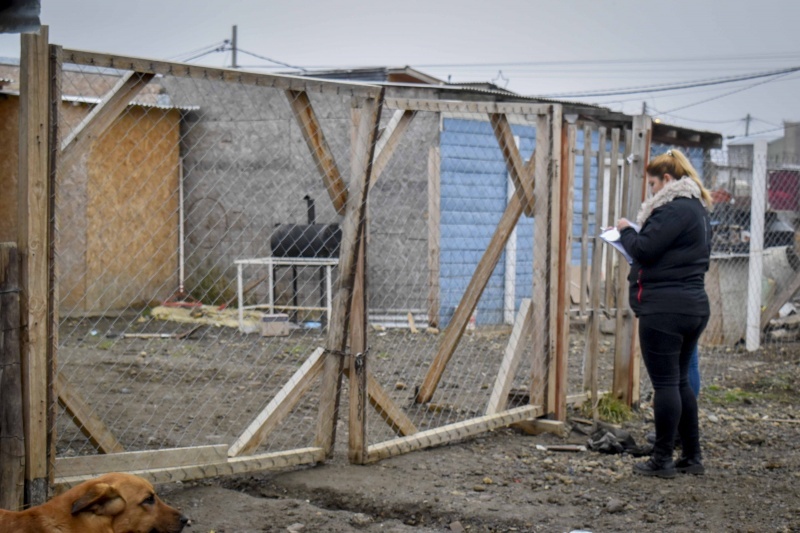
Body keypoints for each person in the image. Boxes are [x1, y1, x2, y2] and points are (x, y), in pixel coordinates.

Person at [616, 148, 712, 478]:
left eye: (654, 184)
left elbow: (644, 248)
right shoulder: (698, 209)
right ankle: (692, 456)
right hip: (694, 306)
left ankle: (662, 459)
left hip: (665, 309)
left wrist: (626, 230)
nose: (652, 191)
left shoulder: (672, 210)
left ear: (668, 180)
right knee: (682, 380)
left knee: (666, 384)